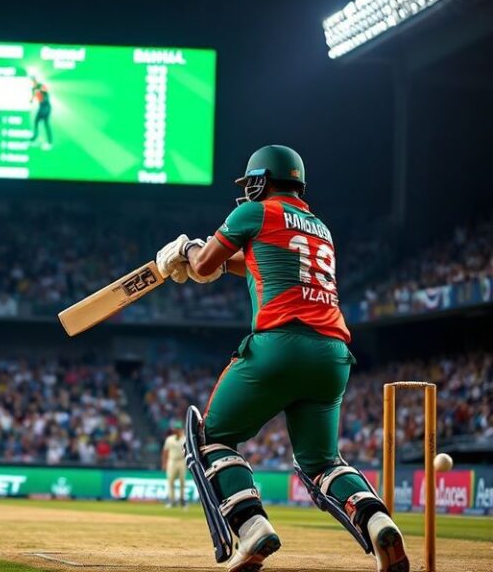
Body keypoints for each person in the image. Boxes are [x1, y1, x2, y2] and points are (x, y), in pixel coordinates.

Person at [155, 145, 407, 572]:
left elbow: (202, 267)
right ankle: (378, 520)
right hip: (332, 355)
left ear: (261, 180)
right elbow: (259, 263)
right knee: (323, 461)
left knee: (211, 438)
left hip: (278, 346)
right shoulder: (320, 228)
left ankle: (252, 528)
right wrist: (210, 261)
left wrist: (186, 252)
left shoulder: (254, 213)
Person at [162, 420, 187, 508]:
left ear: (181, 429)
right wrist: (164, 463)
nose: (176, 430)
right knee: (170, 481)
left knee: (182, 482)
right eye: (175, 429)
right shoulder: (170, 439)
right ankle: (172, 501)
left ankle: (182, 500)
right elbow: (165, 451)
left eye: (178, 429)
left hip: (182, 461)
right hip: (172, 460)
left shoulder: (185, 439)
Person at [30, 75, 52, 149]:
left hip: (45, 107)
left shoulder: (41, 86)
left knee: (45, 123)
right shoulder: (34, 88)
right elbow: (33, 96)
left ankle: (49, 141)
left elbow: (46, 95)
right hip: (42, 106)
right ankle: (36, 137)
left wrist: (42, 97)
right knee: (37, 121)